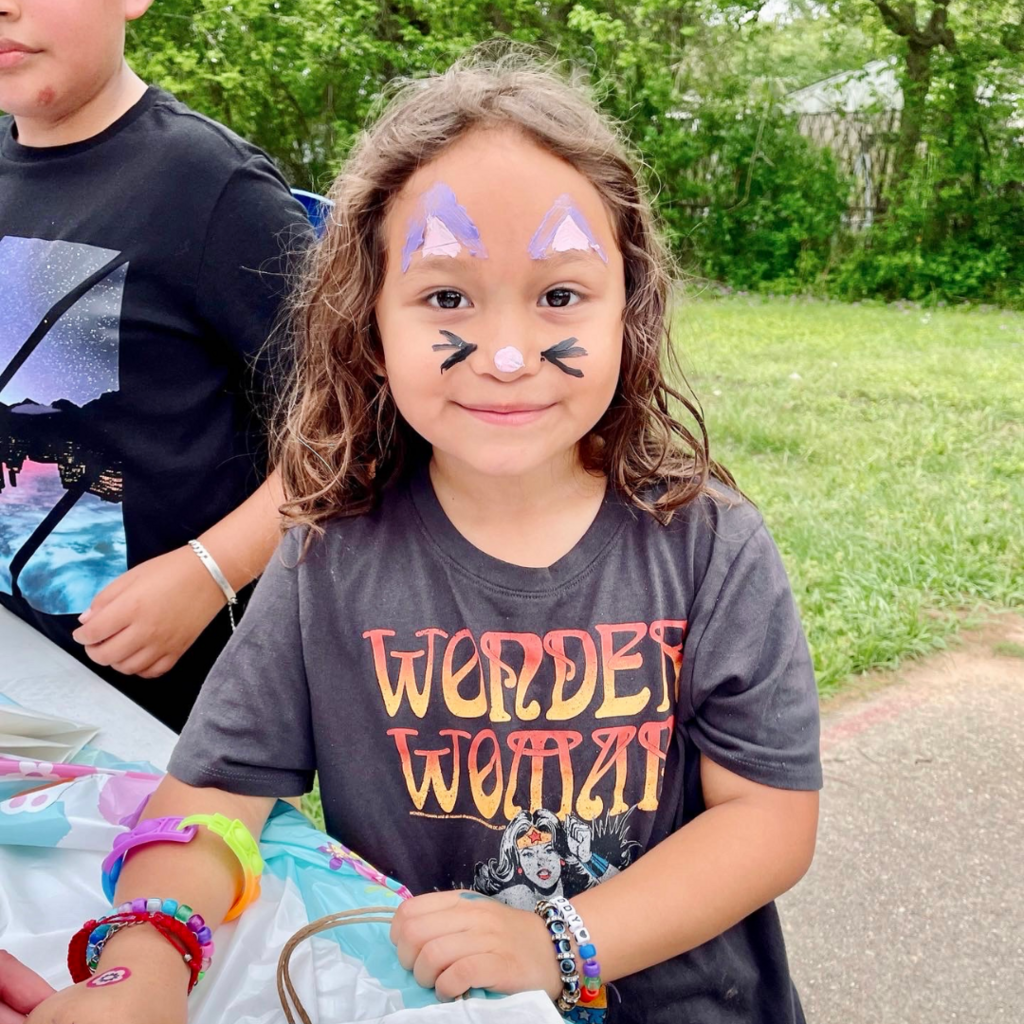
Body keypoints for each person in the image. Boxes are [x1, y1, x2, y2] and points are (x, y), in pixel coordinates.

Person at [24, 54, 821, 1024]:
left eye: (559, 295)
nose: (508, 355)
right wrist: (142, 963)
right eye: (447, 297)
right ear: (369, 321)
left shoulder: (711, 546)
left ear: (631, 306)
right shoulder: (329, 554)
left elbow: (768, 817)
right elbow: (209, 800)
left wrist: (558, 941)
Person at [0, 0, 310, 730]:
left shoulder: (214, 188)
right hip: (20, 683)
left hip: (170, 722)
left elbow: (358, 427)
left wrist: (211, 569)